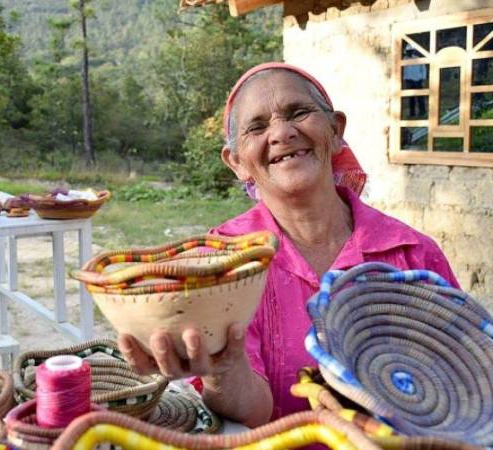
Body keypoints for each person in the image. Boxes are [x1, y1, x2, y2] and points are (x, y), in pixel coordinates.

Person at [117, 62, 459, 428]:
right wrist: (223, 369)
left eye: (298, 112)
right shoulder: (223, 265)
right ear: (236, 162)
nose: (281, 133)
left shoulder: (413, 253)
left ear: (336, 130)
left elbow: (460, 386)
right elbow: (254, 412)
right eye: (257, 127)